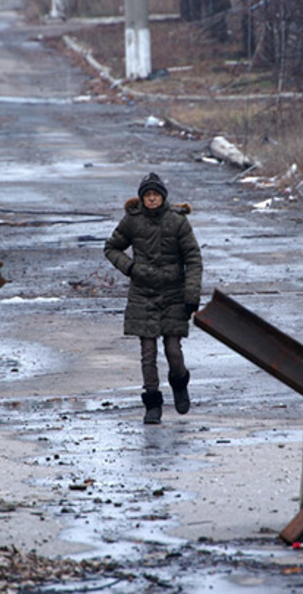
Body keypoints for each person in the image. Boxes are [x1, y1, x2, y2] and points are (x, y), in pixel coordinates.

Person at [105, 172, 203, 424]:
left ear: (162, 197)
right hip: (142, 293)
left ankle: (179, 383)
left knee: (173, 350)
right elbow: (111, 248)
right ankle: (153, 402)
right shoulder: (132, 221)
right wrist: (130, 268)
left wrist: (191, 295)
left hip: (173, 293)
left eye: (155, 195)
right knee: (148, 352)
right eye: (147, 195)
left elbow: (193, 258)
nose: (151, 199)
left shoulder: (177, 222)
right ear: (141, 198)